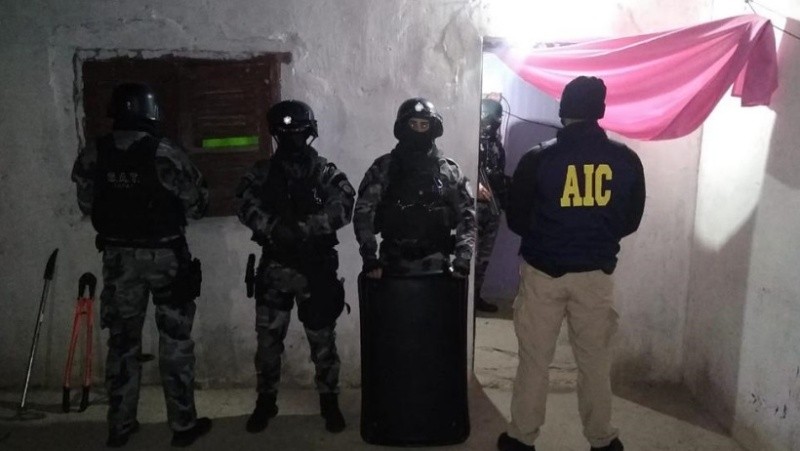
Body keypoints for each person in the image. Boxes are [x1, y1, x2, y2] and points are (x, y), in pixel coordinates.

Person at [497, 76, 645, 451]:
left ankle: (522, 438)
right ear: (600, 111)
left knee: (534, 360)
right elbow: (630, 220)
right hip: (595, 275)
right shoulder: (626, 159)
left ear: (564, 110)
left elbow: (517, 219)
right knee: (595, 362)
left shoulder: (538, 158)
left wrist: (550, 236)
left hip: (543, 273)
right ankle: (602, 439)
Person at [71, 82, 212, 448]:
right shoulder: (165, 152)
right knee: (175, 341)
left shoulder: (95, 152)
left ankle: (119, 426)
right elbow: (197, 205)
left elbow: (86, 204)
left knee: (122, 343)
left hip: (119, 259)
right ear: (151, 112)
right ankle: (182, 425)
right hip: (164, 257)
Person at [236, 100, 354, 434]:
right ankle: (266, 401)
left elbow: (344, 204)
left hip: (314, 269)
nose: (292, 139)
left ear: (310, 133)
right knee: (268, 342)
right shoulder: (261, 172)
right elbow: (244, 204)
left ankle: (329, 401)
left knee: (323, 341)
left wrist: (305, 227)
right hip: (276, 267)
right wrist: (274, 227)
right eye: (285, 133)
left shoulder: (324, 171)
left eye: (299, 132)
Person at [353, 97, 476, 278]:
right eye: (413, 124)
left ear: (432, 128)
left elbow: (467, 217)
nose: (418, 130)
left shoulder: (449, 171)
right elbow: (363, 214)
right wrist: (369, 257)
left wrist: (463, 259)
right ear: (403, 127)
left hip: (437, 264)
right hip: (392, 263)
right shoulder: (384, 168)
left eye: (424, 125)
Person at [475, 98, 510, 313]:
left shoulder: (497, 145)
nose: (496, 122)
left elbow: (497, 174)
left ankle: (475, 296)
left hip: (492, 206)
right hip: (473, 208)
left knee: (483, 258)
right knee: (470, 254)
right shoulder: (471, 141)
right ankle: (466, 299)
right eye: (493, 117)